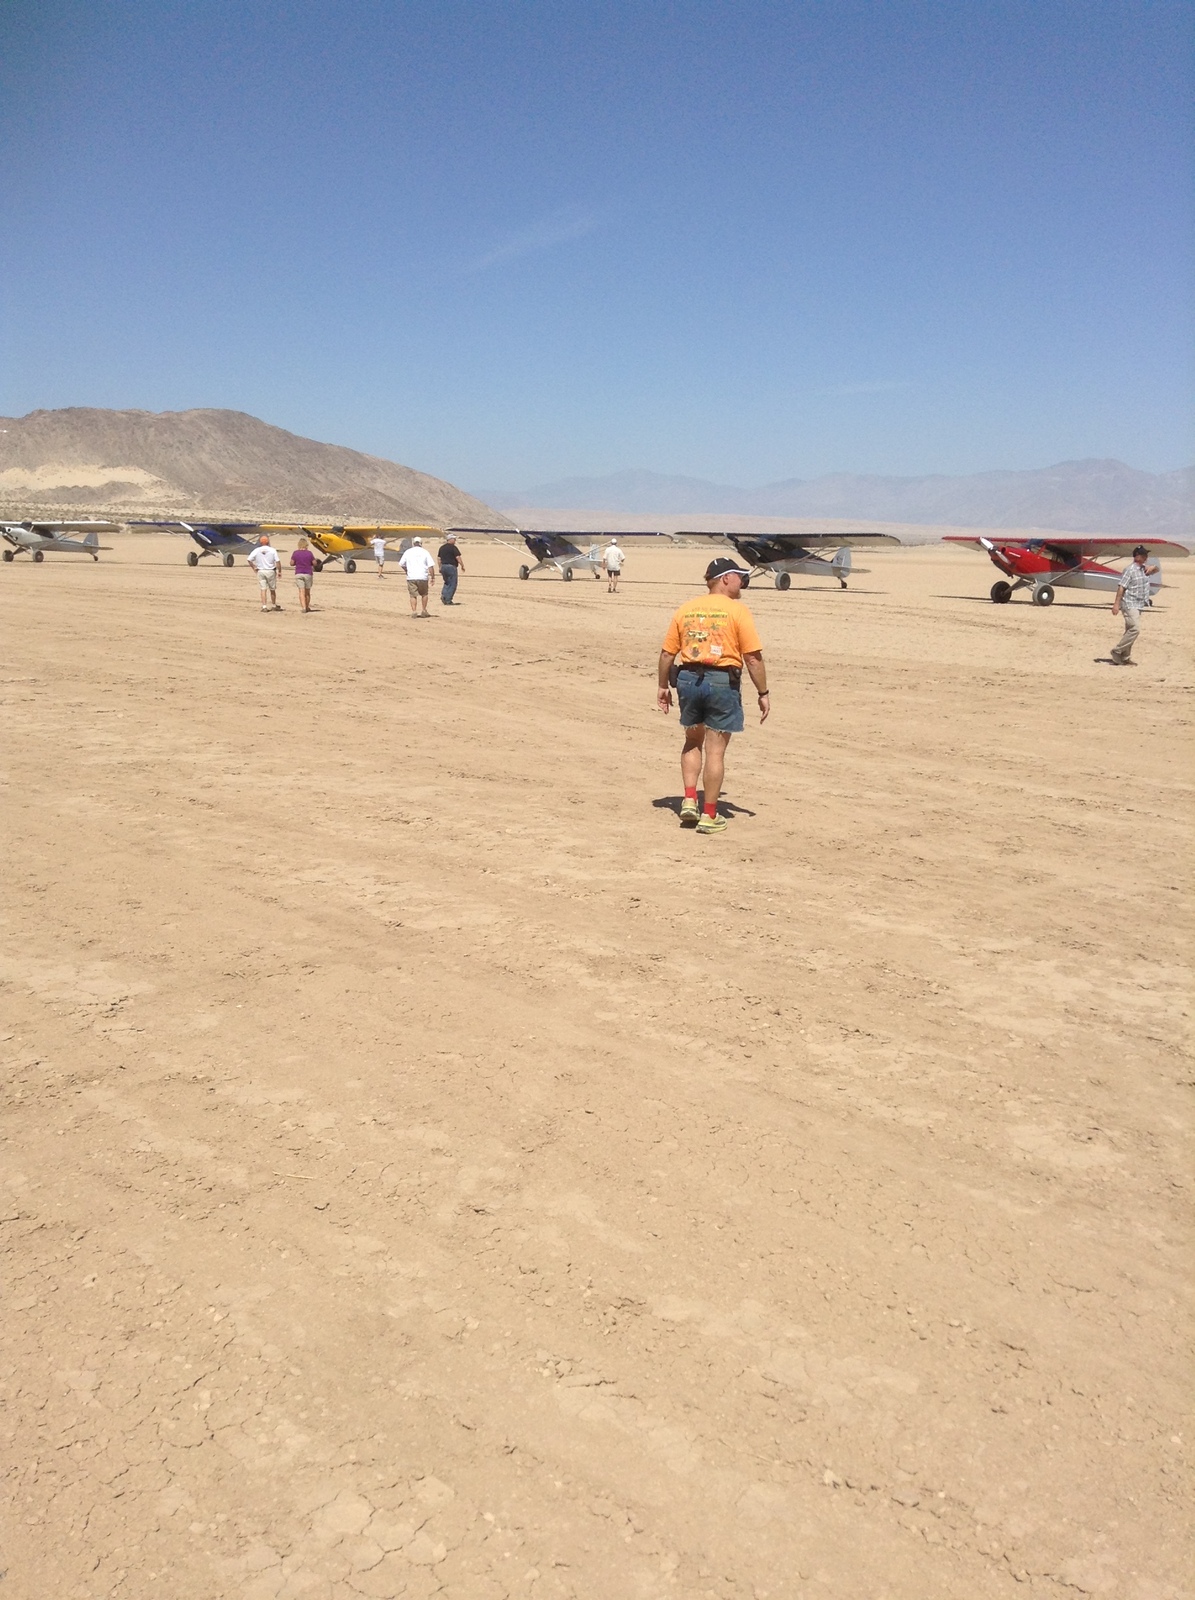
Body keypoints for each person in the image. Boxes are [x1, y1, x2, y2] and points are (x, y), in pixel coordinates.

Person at [657, 556, 769, 835]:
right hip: (721, 681)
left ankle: (689, 800)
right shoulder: (737, 611)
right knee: (715, 750)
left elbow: (667, 654)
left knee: (692, 740)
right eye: (740, 576)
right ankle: (709, 814)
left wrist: (662, 686)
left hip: (687, 680)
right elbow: (752, 658)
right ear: (726, 578)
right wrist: (763, 692)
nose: (743, 582)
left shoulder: (686, 609)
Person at [1108, 545, 1159, 666]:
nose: (1146, 557)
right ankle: (1117, 651)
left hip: (1139, 604)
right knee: (1135, 629)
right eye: (1144, 555)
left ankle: (1125, 657)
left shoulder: (1144, 569)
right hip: (1129, 603)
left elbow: (1156, 570)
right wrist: (1116, 604)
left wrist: (1153, 567)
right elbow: (1121, 587)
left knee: (1129, 631)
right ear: (1137, 556)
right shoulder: (1129, 570)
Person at [397, 535, 436, 617]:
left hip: (411, 577)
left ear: (413, 543)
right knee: (424, 594)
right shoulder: (425, 552)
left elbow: (401, 564)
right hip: (423, 576)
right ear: (421, 543)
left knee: (413, 595)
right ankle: (424, 610)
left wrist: (406, 570)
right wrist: (432, 577)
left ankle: (414, 611)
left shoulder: (408, 552)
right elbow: (430, 566)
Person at [247, 533, 282, 612]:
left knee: (263, 589)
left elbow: (249, 559)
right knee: (272, 589)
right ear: (268, 541)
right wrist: (279, 571)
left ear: (260, 542)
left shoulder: (257, 550)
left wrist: (254, 567)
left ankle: (264, 606)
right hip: (270, 570)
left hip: (261, 571)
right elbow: (277, 561)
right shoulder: (272, 550)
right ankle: (273, 605)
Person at [437, 533, 465, 604]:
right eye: (454, 539)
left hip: (443, 566)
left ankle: (444, 595)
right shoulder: (453, 548)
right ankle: (448, 599)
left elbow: (439, 558)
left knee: (447, 582)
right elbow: (458, 557)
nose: (455, 540)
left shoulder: (442, 548)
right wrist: (462, 565)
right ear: (450, 539)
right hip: (451, 567)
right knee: (452, 583)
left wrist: (440, 567)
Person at [290, 536, 316, 613]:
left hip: (299, 573)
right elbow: (314, 563)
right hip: (308, 573)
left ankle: (303, 607)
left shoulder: (295, 553)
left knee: (301, 591)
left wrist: (297, 562)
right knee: (307, 592)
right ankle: (307, 606)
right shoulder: (309, 553)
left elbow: (291, 563)